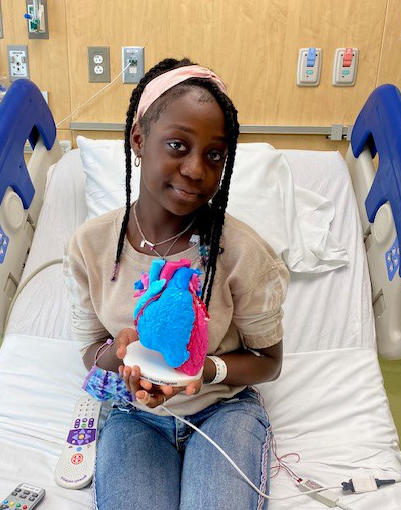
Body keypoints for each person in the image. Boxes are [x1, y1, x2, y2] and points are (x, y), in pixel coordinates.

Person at [63, 57, 289, 510]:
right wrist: (123, 358)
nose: (196, 169)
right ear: (139, 140)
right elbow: (91, 349)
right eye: (178, 145)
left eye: (215, 154)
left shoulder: (242, 251)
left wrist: (203, 370)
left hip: (224, 411)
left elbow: (268, 361)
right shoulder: (90, 245)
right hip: (135, 415)